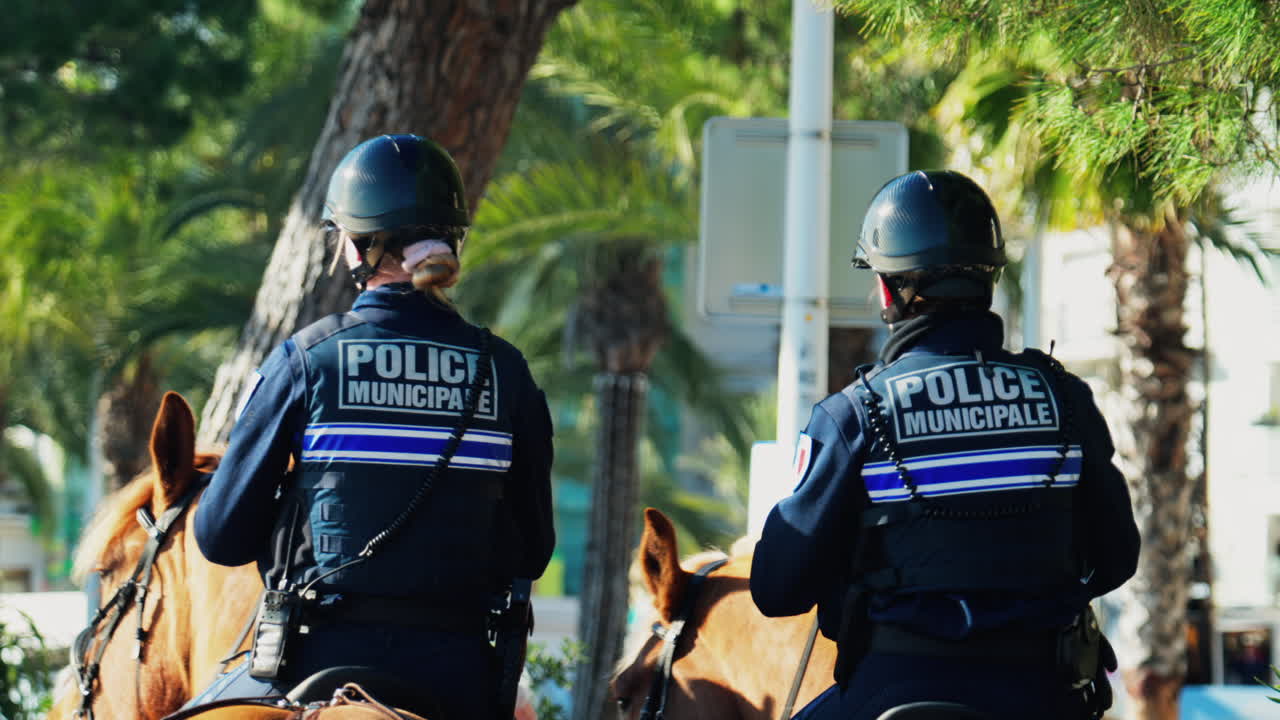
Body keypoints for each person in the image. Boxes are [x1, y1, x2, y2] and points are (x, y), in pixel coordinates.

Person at [186, 134, 556, 719]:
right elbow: (533, 551)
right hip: (461, 674)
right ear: (453, 237)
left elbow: (220, 537)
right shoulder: (504, 371)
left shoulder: (306, 361)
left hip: (316, 660)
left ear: (356, 250)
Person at [749, 171, 1139, 720]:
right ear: (990, 280)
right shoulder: (1065, 400)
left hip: (891, 693)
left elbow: (777, 591)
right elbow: (1118, 557)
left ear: (889, 290)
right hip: (1045, 696)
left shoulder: (855, 416)